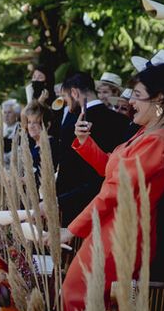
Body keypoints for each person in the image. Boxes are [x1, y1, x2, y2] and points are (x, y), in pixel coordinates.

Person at [60, 63, 164, 311]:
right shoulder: (147, 134)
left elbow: (116, 189)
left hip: (121, 234)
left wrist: (72, 230)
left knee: (79, 297)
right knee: (95, 303)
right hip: (112, 228)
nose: (130, 101)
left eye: (137, 95)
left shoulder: (159, 141)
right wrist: (85, 142)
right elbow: (112, 171)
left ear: (159, 98)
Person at [55, 72, 130, 226]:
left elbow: (67, 170)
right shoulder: (122, 121)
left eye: (67, 98)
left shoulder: (74, 124)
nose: (67, 105)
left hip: (74, 203)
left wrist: (59, 200)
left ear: (75, 93)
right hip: (110, 200)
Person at [1, 99, 22, 164]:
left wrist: (4, 157)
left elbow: (19, 150)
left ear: (17, 115)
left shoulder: (19, 127)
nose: (6, 115)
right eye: (4, 112)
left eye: (9, 112)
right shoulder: (3, 127)